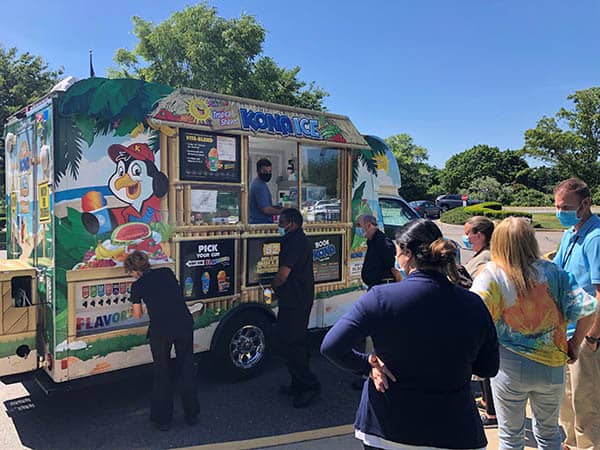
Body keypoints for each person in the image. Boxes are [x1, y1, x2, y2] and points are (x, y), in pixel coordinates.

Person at [321, 219, 499, 450]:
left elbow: (331, 346)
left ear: (407, 253)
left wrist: (367, 364)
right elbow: (488, 368)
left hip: (387, 427)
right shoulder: (473, 303)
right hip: (455, 428)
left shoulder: (380, 298)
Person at [471, 217, 597, 450]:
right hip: (552, 364)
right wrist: (575, 344)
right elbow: (588, 308)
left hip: (508, 365)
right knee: (550, 436)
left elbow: (472, 314)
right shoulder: (554, 272)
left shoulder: (491, 274)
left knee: (510, 436)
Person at [125, 251, 200, 431]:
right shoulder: (166, 272)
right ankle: (192, 414)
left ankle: (163, 420)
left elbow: (137, 315)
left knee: (162, 373)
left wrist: (135, 306)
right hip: (183, 323)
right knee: (186, 368)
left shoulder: (138, 285)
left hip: (161, 330)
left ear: (134, 270)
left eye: (129, 272)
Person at [552, 178, 600, 450]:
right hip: (566, 332)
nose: (560, 212)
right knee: (567, 400)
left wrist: (592, 337)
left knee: (587, 403)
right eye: (557, 206)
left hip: (586, 335)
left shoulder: (595, 238)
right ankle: (570, 444)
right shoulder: (571, 232)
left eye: (566, 207)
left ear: (585, 204)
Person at [271, 208, 320, 408]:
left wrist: (273, 286)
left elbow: (283, 274)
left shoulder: (295, 242)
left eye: (281, 222)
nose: (279, 225)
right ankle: (297, 383)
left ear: (292, 223)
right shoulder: (298, 240)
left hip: (296, 299)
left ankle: (309, 386)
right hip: (296, 298)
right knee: (286, 341)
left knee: (294, 343)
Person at [463, 216, 497, 426]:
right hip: (481, 315)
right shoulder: (480, 254)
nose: (466, 238)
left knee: (486, 367)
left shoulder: (486, 258)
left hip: (484, 316)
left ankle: (492, 413)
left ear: (480, 235)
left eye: (469, 234)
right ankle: (486, 401)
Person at [357, 214, 396, 288]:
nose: (357, 228)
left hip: (383, 287)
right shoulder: (371, 241)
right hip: (374, 286)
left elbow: (394, 269)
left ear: (368, 225)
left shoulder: (383, 243)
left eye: (359, 225)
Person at [249, 158, 283, 224]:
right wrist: (283, 211)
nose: (268, 174)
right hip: (260, 224)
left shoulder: (257, 183)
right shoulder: (259, 186)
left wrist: (276, 207)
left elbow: (263, 205)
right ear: (258, 171)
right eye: (264, 171)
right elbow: (266, 210)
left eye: (270, 171)